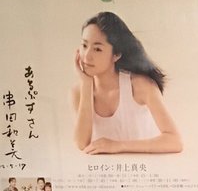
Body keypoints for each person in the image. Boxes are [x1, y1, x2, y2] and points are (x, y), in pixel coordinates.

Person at [71, 12, 182, 155]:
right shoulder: (78, 92)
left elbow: (174, 141)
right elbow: (82, 144)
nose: (87, 56)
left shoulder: (140, 86)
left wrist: (118, 146)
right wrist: (86, 84)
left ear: (116, 55)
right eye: (84, 45)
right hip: (104, 169)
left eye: (97, 49)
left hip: (146, 166)